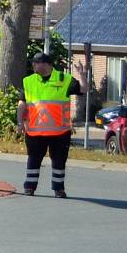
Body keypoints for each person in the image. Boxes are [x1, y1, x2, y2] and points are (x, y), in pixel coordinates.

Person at [18, 53, 81, 198]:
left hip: (60, 132)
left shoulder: (63, 79)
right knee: (33, 160)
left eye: (35, 63)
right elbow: (21, 104)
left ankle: (59, 189)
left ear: (46, 64)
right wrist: (20, 122)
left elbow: (83, 90)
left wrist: (83, 75)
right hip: (35, 131)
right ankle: (29, 187)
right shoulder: (28, 81)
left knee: (59, 162)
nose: (33, 65)